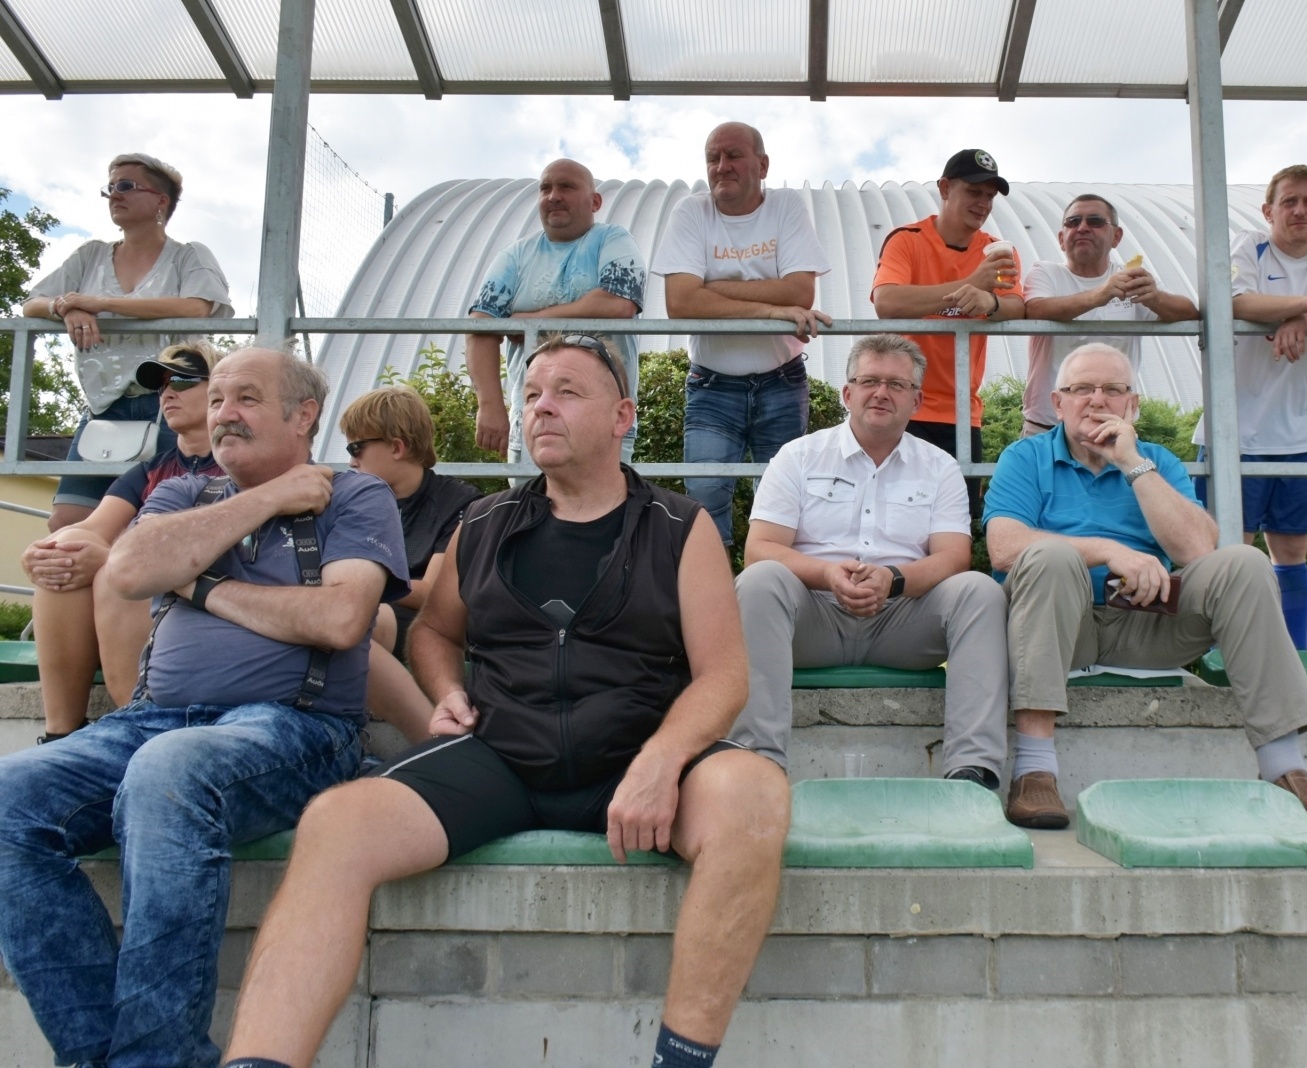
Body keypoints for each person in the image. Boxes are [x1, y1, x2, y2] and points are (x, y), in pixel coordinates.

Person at [223, 335, 788, 1068]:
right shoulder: (483, 523)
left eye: (565, 392)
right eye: (530, 394)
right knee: (337, 822)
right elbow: (433, 633)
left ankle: (678, 1061)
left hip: (634, 752)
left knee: (754, 796)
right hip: (501, 754)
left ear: (622, 416)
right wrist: (448, 690)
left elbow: (723, 675)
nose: (540, 407)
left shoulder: (680, 527)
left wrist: (662, 759)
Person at [0, 347, 409, 1068]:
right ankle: (101, 1055)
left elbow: (340, 621)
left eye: (246, 398)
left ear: (303, 414)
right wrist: (263, 499)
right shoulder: (183, 495)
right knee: (8, 798)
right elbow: (128, 570)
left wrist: (204, 586)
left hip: (298, 727)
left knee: (170, 770)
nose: (224, 414)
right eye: (217, 400)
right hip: (153, 720)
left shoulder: (355, 495)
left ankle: (156, 1058)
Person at [983, 343, 1307, 831]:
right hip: (1058, 631)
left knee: (1244, 563)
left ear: (1132, 405)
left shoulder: (1156, 461)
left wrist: (1133, 464)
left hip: (1146, 625)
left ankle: (1285, 767)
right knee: (1051, 556)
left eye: (1113, 390)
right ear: (1058, 403)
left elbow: (1198, 551)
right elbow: (1005, 547)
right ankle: (1035, 769)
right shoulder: (1025, 457)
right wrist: (1109, 551)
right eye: (1082, 389)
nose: (1097, 400)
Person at [733, 333, 1009, 787]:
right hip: (814, 617)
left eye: (897, 385)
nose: (881, 393)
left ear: (917, 400)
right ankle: (757, 766)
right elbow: (759, 547)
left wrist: (894, 580)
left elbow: (954, 557)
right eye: (869, 381)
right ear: (848, 392)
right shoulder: (798, 457)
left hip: (902, 622)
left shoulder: (939, 467)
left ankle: (971, 771)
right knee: (760, 580)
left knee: (979, 591)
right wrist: (825, 572)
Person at [1195, 165, 1307, 648]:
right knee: (1231, 550)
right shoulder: (1248, 245)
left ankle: (1295, 655)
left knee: (1292, 553)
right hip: (1236, 432)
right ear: (1268, 210)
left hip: (1305, 434)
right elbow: (1234, 301)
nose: (1300, 211)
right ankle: (1223, 655)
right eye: (1290, 201)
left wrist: (1304, 309)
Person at [22, 340, 224, 741]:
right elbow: (92, 530)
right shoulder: (151, 469)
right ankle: (61, 733)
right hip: (154, 598)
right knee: (62, 558)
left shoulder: (239, 462)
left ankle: (137, 725)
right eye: (161, 384)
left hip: (211, 594)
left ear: (220, 390)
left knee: (119, 578)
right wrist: (41, 554)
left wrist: (113, 557)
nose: (167, 393)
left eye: (183, 381)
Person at [20, 153, 233, 532]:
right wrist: (64, 307)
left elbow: (197, 306)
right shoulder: (90, 255)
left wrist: (99, 303)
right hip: (105, 406)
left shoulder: (188, 255)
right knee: (68, 520)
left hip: (172, 399)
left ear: (160, 201)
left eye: (126, 186)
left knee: (166, 515)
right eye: (110, 187)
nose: (113, 195)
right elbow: (31, 303)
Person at [653, 121, 834, 545]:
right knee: (705, 495)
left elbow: (800, 290)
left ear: (762, 164)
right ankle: (713, 600)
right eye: (713, 158)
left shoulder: (786, 206)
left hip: (782, 381)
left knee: (784, 501)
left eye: (733, 155)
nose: (722, 166)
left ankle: (769, 594)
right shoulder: (690, 210)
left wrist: (709, 288)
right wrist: (770, 308)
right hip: (711, 385)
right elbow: (680, 302)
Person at [872, 149, 1024, 520]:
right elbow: (887, 301)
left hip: (961, 411)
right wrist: (967, 285)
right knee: (892, 519)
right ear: (944, 188)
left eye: (990, 195)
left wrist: (988, 301)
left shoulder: (998, 251)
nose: (983, 203)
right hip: (901, 405)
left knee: (957, 521)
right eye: (974, 191)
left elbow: (1018, 306)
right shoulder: (906, 239)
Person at [466, 157, 646, 465]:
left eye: (567, 186)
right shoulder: (514, 256)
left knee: (605, 511)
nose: (554, 196)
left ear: (595, 202)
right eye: (545, 188)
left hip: (604, 422)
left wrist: (529, 323)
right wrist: (490, 405)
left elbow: (618, 304)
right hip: (535, 423)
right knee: (531, 511)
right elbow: (480, 328)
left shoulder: (613, 240)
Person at [339, 385, 482, 741]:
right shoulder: (346, 501)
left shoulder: (459, 503)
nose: (350, 460)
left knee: (360, 622)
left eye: (356, 447)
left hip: (419, 628)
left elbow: (433, 592)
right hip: (364, 620)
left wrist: (362, 585)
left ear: (397, 447)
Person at [1022, 193, 1197, 436]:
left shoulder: (1132, 277)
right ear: (1062, 239)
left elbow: (1188, 313)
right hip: (1047, 425)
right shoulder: (1045, 273)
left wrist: (1155, 296)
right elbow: (1034, 310)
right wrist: (1100, 294)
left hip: (1113, 428)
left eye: (1095, 221)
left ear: (1117, 237)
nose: (1082, 228)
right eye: (1073, 222)